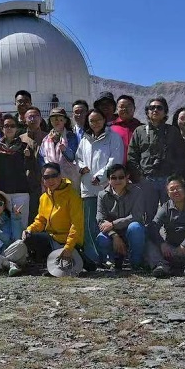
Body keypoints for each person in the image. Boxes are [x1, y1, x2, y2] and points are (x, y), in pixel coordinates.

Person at [75, 109, 125, 262]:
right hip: (88, 187)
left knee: (106, 222)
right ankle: (93, 257)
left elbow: (115, 160)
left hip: (106, 187)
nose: (95, 123)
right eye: (92, 121)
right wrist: (81, 167)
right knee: (90, 224)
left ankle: (110, 256)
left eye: (98, 120)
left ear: (104, 120)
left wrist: (101, 176)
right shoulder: (85, 139)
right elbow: (78, 157)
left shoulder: (113, 137)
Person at [21, 163, 86, 269]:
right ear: (43, 180)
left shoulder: (72, 195)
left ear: (60, 176)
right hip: (52, 238)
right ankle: (47, 262)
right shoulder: (43, 197)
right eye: (46, 177)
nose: (50, 180)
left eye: (54, 176)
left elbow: (76, 225)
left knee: (84, 264)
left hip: (68, 241)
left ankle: (73, 255)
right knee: (29, 237)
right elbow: (40, 221)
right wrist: (29, 230)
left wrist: (68, 247)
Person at [95, 163, 156, 270]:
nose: (117, 180)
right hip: (113, 233)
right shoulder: (102, 195)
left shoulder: (137, 191)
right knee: (101, 238)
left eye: (121, 177)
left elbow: (137, 216)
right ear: (109, 180)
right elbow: (100, 219)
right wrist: (114, 235)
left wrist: (113, 224)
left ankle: (136, 262)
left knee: (135, 227)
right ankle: (113, 260)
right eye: (113, 178)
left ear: (127, 177)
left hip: (131, 232)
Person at [127, 97, 185, 198]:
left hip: (168, 180)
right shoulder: (139, 131)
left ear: (165, 112)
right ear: (147, 112)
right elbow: (132, 156)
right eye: (152, 108)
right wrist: (139, 176)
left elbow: (181, 155)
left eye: (159, 108)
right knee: (148, 208)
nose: (155, 110)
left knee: (169, 207)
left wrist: (175, 176)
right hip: (146, 179)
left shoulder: (172, 131)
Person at [148, 176, 185, 278]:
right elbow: (153, 226)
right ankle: (161, 265)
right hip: (170, 250)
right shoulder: (165, 207)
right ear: (167, 193)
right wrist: (162, 244)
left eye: (178, 188)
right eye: (172, 189)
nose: (175, 191)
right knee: (147, 238)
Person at [0, 115, 35, 233]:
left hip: (21, 191)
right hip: (2, 192)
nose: (9, 128)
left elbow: (31, 167)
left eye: (12, 126)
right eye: (6, 126)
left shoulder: (24, 147)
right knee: (3, 225)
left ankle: (22, 245)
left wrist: (28, 157)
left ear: (16, 128)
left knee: (21, 224)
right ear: (2, 128)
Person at [40, 107, 80, 185]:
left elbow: (73, 157)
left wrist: (65, 150)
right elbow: (41, 157)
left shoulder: (71, 136)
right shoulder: (45, 139)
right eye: (54, 119)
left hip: (69, 178)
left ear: (65, 121)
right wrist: (48, 170)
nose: (57, 121)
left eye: (60, 119)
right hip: (51, 178)